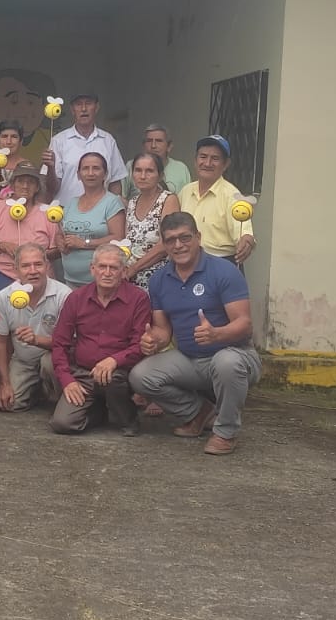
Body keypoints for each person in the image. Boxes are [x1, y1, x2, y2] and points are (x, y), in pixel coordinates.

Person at [129, 212, 260, 455]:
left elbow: (245, 324)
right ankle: (199, 413)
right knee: (140, 376)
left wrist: (217, 334)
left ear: (198, 237)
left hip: (235, 353)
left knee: (227, 362)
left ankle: (226, 432)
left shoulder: (224, 271)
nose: (178, 245)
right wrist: (153, 341)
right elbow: (163, 330)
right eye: (170, 240)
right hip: (190, 358)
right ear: (164, 244)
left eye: (185, 237)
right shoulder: (159, 280)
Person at [50, 245, 150, 435]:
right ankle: (98, 412)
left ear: (123, 271)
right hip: (83, 373)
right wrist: (67, 380)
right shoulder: (76, 298)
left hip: (119, 374)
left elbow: (140, 344)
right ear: (92, 269)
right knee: (62, 424)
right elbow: (60, 343)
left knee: (114, 382)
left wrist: (114, 360)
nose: (107, 273)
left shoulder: (139, 299)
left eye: (114, 268)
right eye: (102, 266)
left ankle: (128, 418)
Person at [0, 242, 70, 412]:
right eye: (25, 266)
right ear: (16, 269)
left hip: (55, 357)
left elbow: (70, 343)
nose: (33, 271)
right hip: (23, 360)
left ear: (47, 266)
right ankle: (35, 391)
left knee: (48, 362)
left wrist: (36, 340)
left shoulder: (64, 295)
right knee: (9, 404)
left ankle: (58, 396)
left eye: (38, 264)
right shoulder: (5, 296)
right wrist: (4, 383)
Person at [0, 161, 60, 301]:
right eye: (20, 181)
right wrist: (1, 246)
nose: (25, 186)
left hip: (38, 276)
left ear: (37, 187)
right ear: (12, 185)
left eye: (31, 182)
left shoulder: (47, 212)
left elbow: (57, 251)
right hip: (3, 274)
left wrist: (32, 255)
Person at [178, 135, 256, 265]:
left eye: (215, 158)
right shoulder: (185, 191)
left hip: (220, 264)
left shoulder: (232, 195)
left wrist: (247, 241)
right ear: (195, 160)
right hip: (186, 263)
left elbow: (245, 234)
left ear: (226, 164)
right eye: (203, 157)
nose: (207, 163)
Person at [45, 92, 127, 204]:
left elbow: (115, 181)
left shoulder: (108, 140)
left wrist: (114, 207)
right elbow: (51, 188)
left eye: (88, 103)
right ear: (72, 110)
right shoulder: (59, 141)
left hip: (100, 210)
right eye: (78, 104)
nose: (83, 109)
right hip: (65, 209)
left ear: (96, 108)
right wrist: (50, 168)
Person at [58, 151, 126, 285]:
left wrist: (84, 243)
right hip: (70, 281)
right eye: (85, 168)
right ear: (78, 174)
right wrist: (59, 241)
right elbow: (60, 232)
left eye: (96, 168)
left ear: (105, 174)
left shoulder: (112, 202)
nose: (90, 173)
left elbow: (118, 238)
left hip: (101, 283)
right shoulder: (71, 203)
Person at [123, 152, 179, 290]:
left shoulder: (168, 200)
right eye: (138, 170)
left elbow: (165, 244)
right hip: (129, 278)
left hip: (157, 278)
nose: (143, 176)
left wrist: (134, 268)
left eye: (149, 171)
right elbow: (127, 242)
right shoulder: (132, 202)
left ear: (160, 175)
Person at [123, 124, 192, 200]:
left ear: (169, 146)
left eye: (159, 141)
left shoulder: (181, 168)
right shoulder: (132, 166)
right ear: (143, 145)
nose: (153, 145)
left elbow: (188, 199)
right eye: (149, 141)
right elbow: (120, 198)